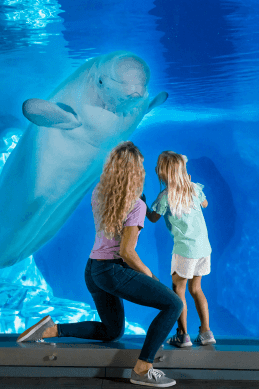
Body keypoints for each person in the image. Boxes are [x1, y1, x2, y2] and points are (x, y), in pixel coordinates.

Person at [17, 141, 183, 388]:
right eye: (142, 167)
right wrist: (150, 276)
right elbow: (127, 252)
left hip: (93, 269)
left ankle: (52, 330)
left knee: (112, 331)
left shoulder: (100, 193)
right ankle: (143, 368)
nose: (145, 171)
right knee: (173, 304)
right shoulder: (136, 205)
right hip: (114, 270)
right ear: (136, 172)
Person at [145, 151, 216, 348]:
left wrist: (142, 205)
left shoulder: (165, 196)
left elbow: (153, 218)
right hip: (203, 248)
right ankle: (206, 332)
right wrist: (191, 184)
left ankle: (183, 335)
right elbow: (205, 204)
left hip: (184, 250)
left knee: (179, 291)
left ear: (162, 172)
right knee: (197, 289)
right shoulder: (194, 189)